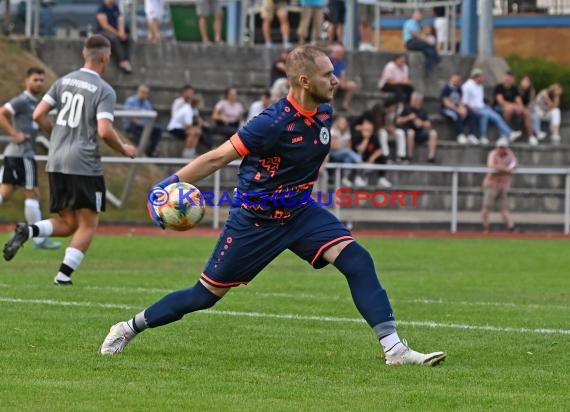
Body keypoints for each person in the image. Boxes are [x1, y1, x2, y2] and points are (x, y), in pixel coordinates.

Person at [99, 45, 446, 366]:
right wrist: (169, 184)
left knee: (358, 259)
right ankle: (127, 327)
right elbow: (218, 157)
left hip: (300, 212)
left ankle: (394, 349)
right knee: (203, 296)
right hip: (256, 221)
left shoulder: (323, 111)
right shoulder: (271, 122)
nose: (336, 79)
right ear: (305, 81)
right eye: (328, 74)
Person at [3, 35, 137, 284]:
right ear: (105, 57)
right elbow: (105, 130)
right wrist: (124, 148)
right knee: (88, 223)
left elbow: (38, 114)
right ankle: (63, 276)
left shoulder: (63, 81)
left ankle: (28, 230)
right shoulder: (104, 90)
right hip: (84, 163)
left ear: (84, 55)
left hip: (56, 159)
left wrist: (57, 136)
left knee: (69, 222)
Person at [0, 67, 61, 251]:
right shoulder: (22, 100)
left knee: (6, 192)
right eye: (35, 80)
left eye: (42, 80)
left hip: (16, 154)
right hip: (22, 153)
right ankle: (39, 239)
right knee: (32, 193)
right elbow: (2, 113)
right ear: (26, 81)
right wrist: (15, 134)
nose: (39, 83)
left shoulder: (36, 103)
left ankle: (37, 237)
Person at [461, 68, 522, 145]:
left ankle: (507, 134)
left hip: (482, 107)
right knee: (487, 115)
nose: (483, 78)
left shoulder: (480, 86)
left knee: (494, 116)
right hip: (473, 108)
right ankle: (488, 136)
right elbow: (465, 101)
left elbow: (480, 100)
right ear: (476, 77)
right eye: (481, 76)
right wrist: (473, 109)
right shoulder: (467, 86)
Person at [481, 140, 518, 233]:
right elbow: (493, 166)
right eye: (500, 147)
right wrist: (506, 169)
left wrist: (504, 169)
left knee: (504, 208)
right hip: (491, 184)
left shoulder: (510, 154)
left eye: (503, 147)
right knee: (487, 206)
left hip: (503, 186)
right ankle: (486, 227)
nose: (502, 149)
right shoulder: (493, 154)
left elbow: (514, 165)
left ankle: (511, 227)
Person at [493, 71, 536, 145]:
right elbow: (501, 101)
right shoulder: (499, 87)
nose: (508, 80)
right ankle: (504, 135)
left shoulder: (514, 88)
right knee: (508, 109)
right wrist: (513, 106)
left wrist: (520, 108)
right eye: (507, 78)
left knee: (525, 112)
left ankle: (531, 136)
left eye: (510, 78)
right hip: (498, 108)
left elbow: (518, 101)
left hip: (512, 108)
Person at [397, 92, 438, 162]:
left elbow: (428, 124)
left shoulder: (422, 111)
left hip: (420, 132)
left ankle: (431, 156)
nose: (414, 101)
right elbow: (398, 121)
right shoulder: (406, 109)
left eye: (416, 100)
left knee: (433, 133)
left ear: (420, 101)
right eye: (413, 99)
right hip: (408, 132)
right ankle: (409, 156)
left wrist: (421, 123)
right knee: (411, 132)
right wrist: (408, 118)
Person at [124, 84, 162, 157]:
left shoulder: (147, 103)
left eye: (146, 93)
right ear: (138, 92)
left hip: (143, 125)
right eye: (142, 92)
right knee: (139, 128)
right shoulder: (130, 101)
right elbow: (131, 117)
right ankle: (140, 151)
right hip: (131, 125)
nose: (144, 94)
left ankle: (151, 152)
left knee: (158, 130)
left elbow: (150, 118)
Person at [95, 0, 133, 74]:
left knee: (129, 39)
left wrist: (122, 32)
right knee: (114, 39)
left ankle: (127, 60)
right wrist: (117, 33)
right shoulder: (101, 9)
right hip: (103, 32)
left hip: (116, 32)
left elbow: (120, 20)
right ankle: (121, 61)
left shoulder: (116, 8)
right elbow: (105, 25)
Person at [440, 73, 477, 144]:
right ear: (452, 79)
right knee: (455, 115)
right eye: (455, 79)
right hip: (446, 109)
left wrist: (463, 109)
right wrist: (457, 110)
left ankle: (471, 135)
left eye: (458, 80)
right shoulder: (446, 88)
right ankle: (460, 135)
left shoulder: (459, 89)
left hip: (457, 108)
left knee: (472, 115)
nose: (456, 81)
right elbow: (446, 103)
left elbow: (460, 101)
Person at [330, 115, 364, 187]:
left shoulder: (347, 133)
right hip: (333, 154)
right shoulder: (333, 131)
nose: (343, 124)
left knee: (348, 158)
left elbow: (349, 146)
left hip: (344, 153)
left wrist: (342, 147)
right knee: (348, 152)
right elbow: (335, 146)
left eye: (344, 123)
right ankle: (360, 162)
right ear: (337, 123)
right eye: (341, 122)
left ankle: (345, 178)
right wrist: (343, 147)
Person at [329, 43, 358, 111]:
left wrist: (343, 82)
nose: (341, 55)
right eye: (340, 53)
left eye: (342, 53)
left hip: (338, 81)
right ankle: (330, 104)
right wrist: (338, 80)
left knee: (353, 85)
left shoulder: (341, 62)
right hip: (328, 81)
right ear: (335, 52)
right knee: (335, 84)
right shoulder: (327, 59)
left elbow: (343, 73)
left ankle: (345, 104)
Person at [378, 99, 406, 165]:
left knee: (400, 133)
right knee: (382, 133)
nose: (393, 108)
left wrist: (393, 129)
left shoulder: (394, 114)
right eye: (392, 106)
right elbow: (378, 125)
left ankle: (401, 156)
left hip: (392, 134)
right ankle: (386, 156)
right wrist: (387, 128)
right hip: (383, 134)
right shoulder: (381, 113)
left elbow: (395, 125)